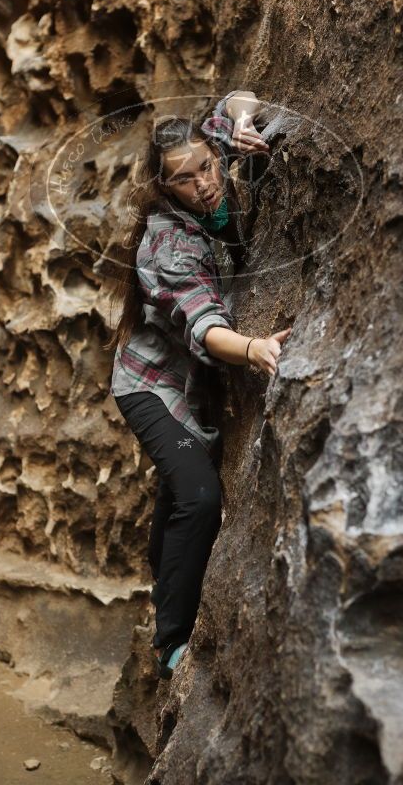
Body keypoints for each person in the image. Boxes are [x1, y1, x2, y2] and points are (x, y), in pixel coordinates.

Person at [105, 89, 291, 679]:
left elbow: (240, 96)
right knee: (200, 495)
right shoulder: (171, 242)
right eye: (185, 181)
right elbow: (205, 325)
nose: (205, 185)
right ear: (165, 189)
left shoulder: (210, 148)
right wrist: (254, 349)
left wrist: (238, 122)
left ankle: (164, 579)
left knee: (178, 488)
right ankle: (172, 640)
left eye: (208, 167)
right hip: (148, 387)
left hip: (183, 387)